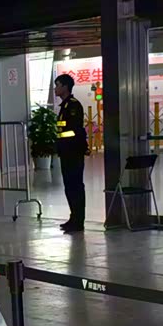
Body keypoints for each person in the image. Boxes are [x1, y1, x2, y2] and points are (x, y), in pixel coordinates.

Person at [54, 74, 89, 233]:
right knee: (69, 186)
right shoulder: (64, 106)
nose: (56, 88)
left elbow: (75, 130)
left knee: (75, 186)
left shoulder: (73, 106)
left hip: (73, 152)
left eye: (58, 85)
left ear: (65, 87)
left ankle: (78, 220)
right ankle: (73, 217)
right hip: (66, 152)